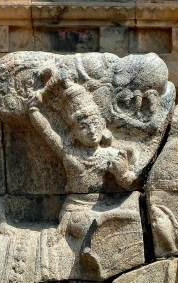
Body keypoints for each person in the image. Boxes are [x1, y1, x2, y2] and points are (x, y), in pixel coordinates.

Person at [28, 68, 137, 239]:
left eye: (95, 124)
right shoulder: (69, 152)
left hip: (103, 207)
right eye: (83, 127)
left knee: (132, 219)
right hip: (76, 212)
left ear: (102, 124)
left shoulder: (112, 154)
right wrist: (34, 107)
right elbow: (46, 130)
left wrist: (123, 174)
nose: (92, 131)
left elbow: (132, 184)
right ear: (72, 132)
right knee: (96, 228)